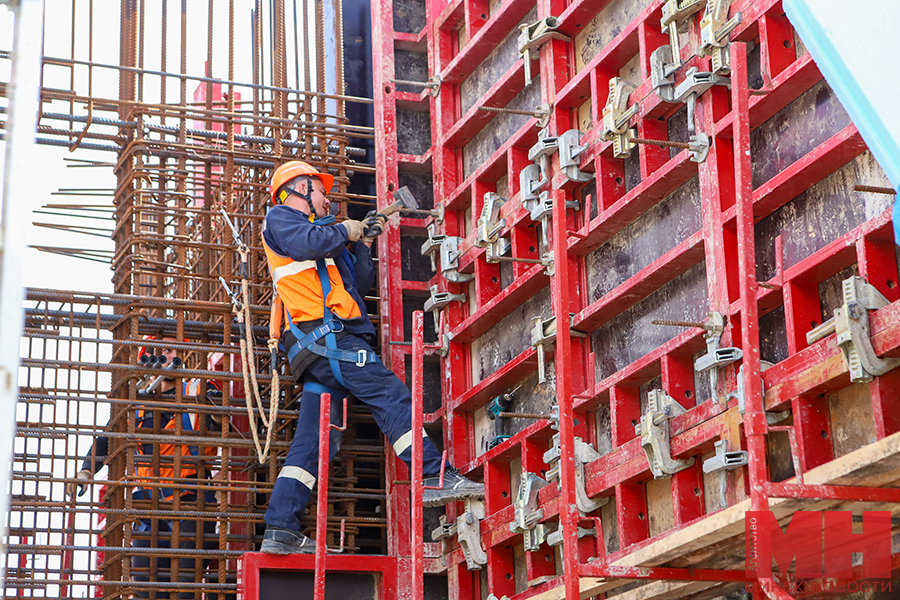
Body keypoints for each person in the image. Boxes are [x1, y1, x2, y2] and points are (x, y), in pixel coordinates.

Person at [259, 160, 483, 555]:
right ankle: (433, 475)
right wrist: (346, 229)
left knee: (314, 441)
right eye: (320, 190)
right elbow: (309, 242)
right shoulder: (280, 220)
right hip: (329, 341)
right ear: (297, 189)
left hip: (325, 350)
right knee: (389, 394)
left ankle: (281, 528)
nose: (326, 198)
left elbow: (356, 286)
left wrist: (361, 245)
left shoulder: (322, 239)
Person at [68, 336, 223, 599]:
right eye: (160, 351)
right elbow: (107, 439)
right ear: (145, 358)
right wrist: (86, 471)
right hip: (147, 512)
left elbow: (218, 413)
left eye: (172, 350)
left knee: (186, 591)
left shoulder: (196, 388)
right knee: (143, 591)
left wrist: (216, 410)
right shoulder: (136, 402)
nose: (167, 355)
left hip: (190, 506)